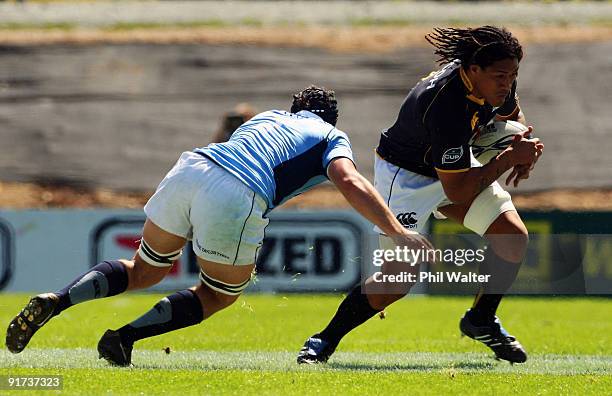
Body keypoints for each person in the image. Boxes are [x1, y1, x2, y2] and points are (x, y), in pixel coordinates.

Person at [5, 85, 431, 367]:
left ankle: (57, 299)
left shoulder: (267, 116)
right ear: (332, 118)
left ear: (294, 108)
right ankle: (123, 337)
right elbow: (349, 180)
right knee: (218, 294)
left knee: (144, 269)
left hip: (192, 167)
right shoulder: (329, 136)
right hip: (238, 191)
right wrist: (398, 230)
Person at [297, 26, 544, 365]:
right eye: (501, 76)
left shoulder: (494, 76)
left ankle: (481, 320)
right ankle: (323, 339)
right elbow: (457, 189)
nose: (507, 83)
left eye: (512, 75)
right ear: (473, 70)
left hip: (455, 163)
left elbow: (511, 117)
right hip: (407, 176)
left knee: (512, 238)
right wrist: (506, 160)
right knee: (398, 281)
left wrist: (520, 146)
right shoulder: (446, 106)